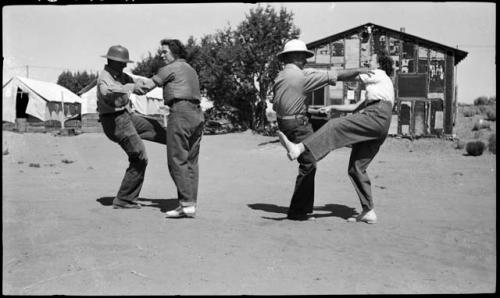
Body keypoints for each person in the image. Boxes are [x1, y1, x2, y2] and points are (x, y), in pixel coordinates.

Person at [276, 50, 395, 224]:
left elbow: (346, 75)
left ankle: (298, 148)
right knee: (356, 168)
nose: (368, 63)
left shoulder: (377, 73)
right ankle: (368, 210)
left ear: (380, 64)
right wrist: (333, 108)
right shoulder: (379, 88)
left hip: (375, 116)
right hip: (381, 122)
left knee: (333, 126)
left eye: (371, 60)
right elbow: (355, 107)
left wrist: (354, 70)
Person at [97, 45, 168, 209]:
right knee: (139, 156)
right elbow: (107, 91)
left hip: (126, 117)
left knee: (155, 128)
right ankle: (124, 199)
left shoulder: (121, 75)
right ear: (112, 61)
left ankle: (178, 142)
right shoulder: (105, 78)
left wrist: (155, 81)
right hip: (115, 122)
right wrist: (131, 88)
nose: (125, 65)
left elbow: (137, 84)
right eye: (122, 62)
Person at [140, 39, 204, 218]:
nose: (161, 55)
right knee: (191, 160)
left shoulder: (170, 68)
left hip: (180, 112)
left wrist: (125, 85)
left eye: (164, 52)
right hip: (197, 114)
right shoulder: (190, 69)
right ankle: (190, 204)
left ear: (174, 52)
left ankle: (186, 204)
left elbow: (145, 87)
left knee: (176, 159)